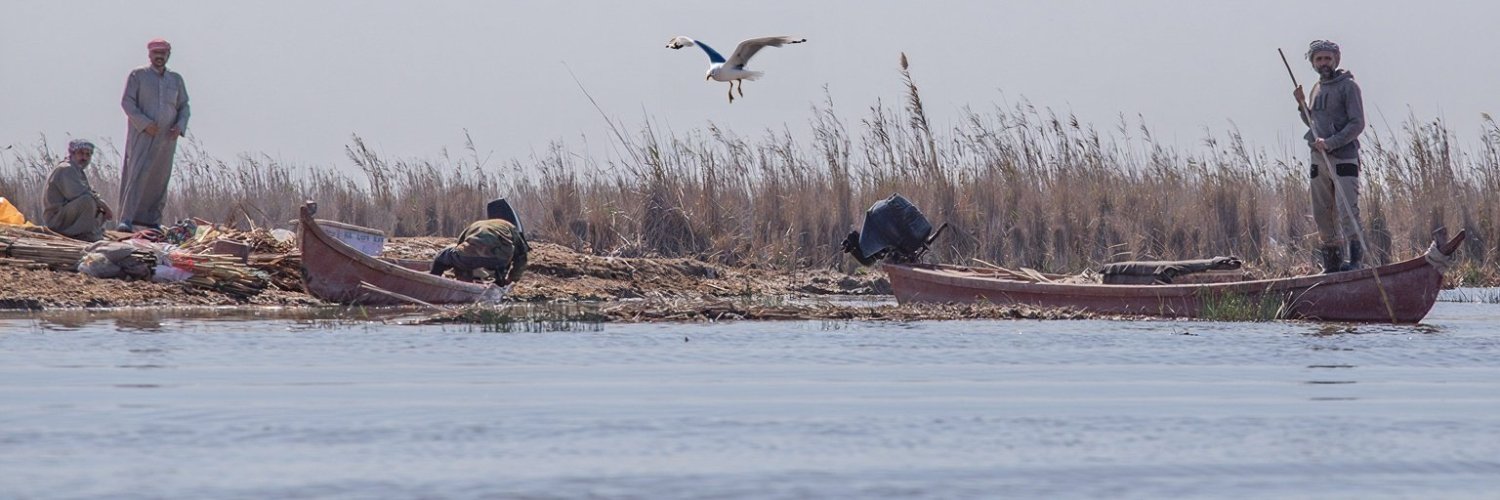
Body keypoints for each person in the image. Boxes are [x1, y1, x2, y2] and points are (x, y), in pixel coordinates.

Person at [1292, 39, 1365, 273]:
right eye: (1319, 59)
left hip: (1343, 157)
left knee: (1347, 212)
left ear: (1336, 60)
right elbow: (1313, 123)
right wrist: (1302, 104)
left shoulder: (1349, 87)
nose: (1324, 63)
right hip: (1318, 160)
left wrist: (1331, 143)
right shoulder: (1316, 88)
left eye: (1327, 58)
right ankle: (1332, 265)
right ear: (1313, 62)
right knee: (1322, 213)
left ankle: (1355, 264)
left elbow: (1357, 123)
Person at [117, 37, 190, 232]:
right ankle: (127, 219)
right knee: (137, 174)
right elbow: (127, 103)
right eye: (156, 53)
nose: (159, 56)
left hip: (167, 137)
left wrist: (179, 126)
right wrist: (145, 123)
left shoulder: (176, 79)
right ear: (149, 55)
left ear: (168, 55)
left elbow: (184, 106)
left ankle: (152, 220)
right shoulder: (138, 75)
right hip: (143, 134)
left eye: (163, 53)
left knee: (160, 177)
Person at [44, 139, 113, 242]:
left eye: (88, 155)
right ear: (72, 154)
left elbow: (89, 192)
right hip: (56, 220)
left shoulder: (77, 170)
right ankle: (80, 234)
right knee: (87, 201)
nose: (84, 157)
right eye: (81, 153)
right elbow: (78, 194)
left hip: (65, 215)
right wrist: (104, 205)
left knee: (96, 206)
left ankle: (89, 232)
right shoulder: (66, 169)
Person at [430, 218, 529, 285]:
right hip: (499, 259)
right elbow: (522, 257)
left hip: (468, 257)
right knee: (502, 258)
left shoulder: (475, 225)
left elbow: (459, 246)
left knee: (444, 255)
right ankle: (500, 282)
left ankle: (433, 280)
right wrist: (512, 279)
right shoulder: (511, 228)